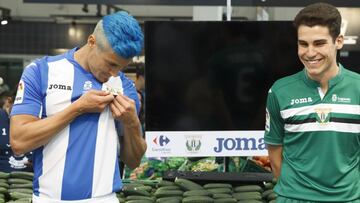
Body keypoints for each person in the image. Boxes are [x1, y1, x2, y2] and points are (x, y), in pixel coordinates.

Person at [10, 11, 147, 203]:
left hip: (104, 199)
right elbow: (18, 142)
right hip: (48, 199)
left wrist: (132, 122)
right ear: (91, 41)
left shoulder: (125, 87)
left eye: (121, 67)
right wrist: (78, 108)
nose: (114, 73)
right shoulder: (41, 71)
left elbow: (133, 160)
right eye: (111, 64)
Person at [265, 2, 359, 202]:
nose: (309, 53)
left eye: (319, 43)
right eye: (303, 44)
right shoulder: (279, 91)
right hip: (292, 199)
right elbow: (274, 154)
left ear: (339, 41)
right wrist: (295, 193)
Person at [0, 89, 32, 172]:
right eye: (19, 107)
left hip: (29, 179)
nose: (23, 113)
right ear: (9, 101)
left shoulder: (37, 119)